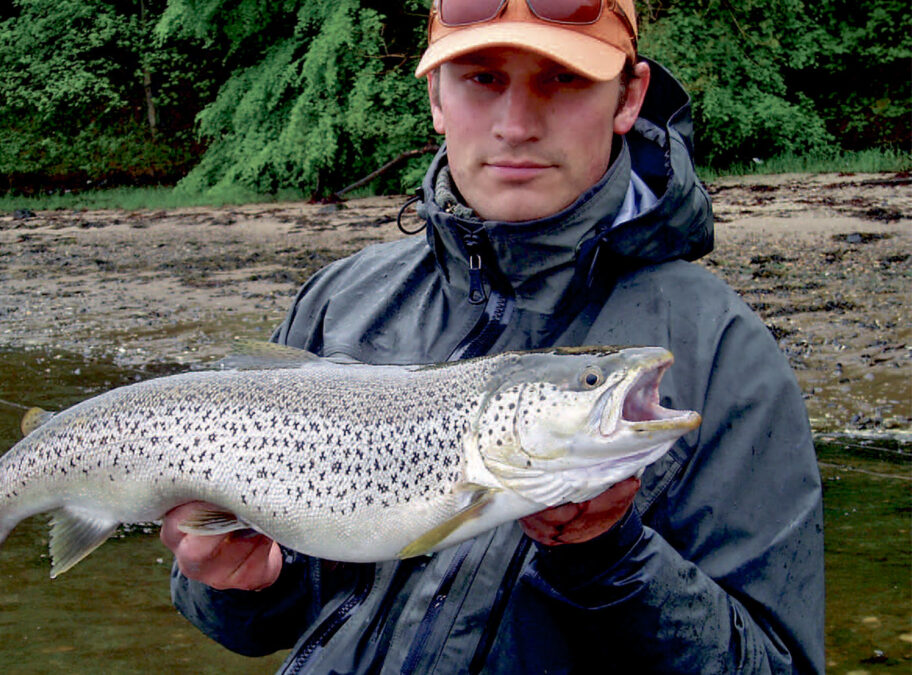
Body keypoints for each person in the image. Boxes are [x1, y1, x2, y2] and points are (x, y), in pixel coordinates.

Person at [160, 0, 825, 671]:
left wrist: (608, 557)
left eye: (561, 79)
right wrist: (238, 582)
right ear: (436, 99)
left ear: (629, 97)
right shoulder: (341, 301)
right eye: (482, 79)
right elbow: (264, 619)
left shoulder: (725, 353)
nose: (516, 125)